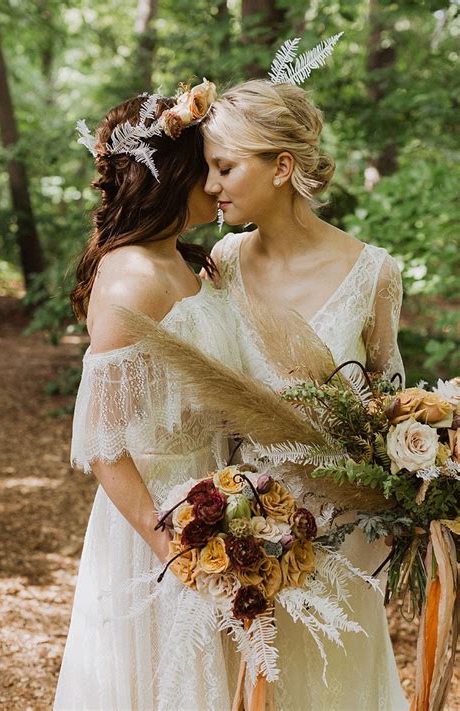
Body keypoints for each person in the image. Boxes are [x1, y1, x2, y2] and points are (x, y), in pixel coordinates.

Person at [202, 79, 408, 710]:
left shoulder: (375, 272)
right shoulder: (222, 261)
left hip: (341, 536)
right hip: (240, 535)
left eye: (225, 167)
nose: (211, 186)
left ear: (282, 167)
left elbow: (388, 403)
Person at [54, 85, 242, 710]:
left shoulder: (190, 263)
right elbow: (105, 447)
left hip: (220, 499)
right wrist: (172, 549)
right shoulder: (129, 281)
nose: (217, 185)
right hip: (157, 524)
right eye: (207, 168)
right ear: (171, 175)